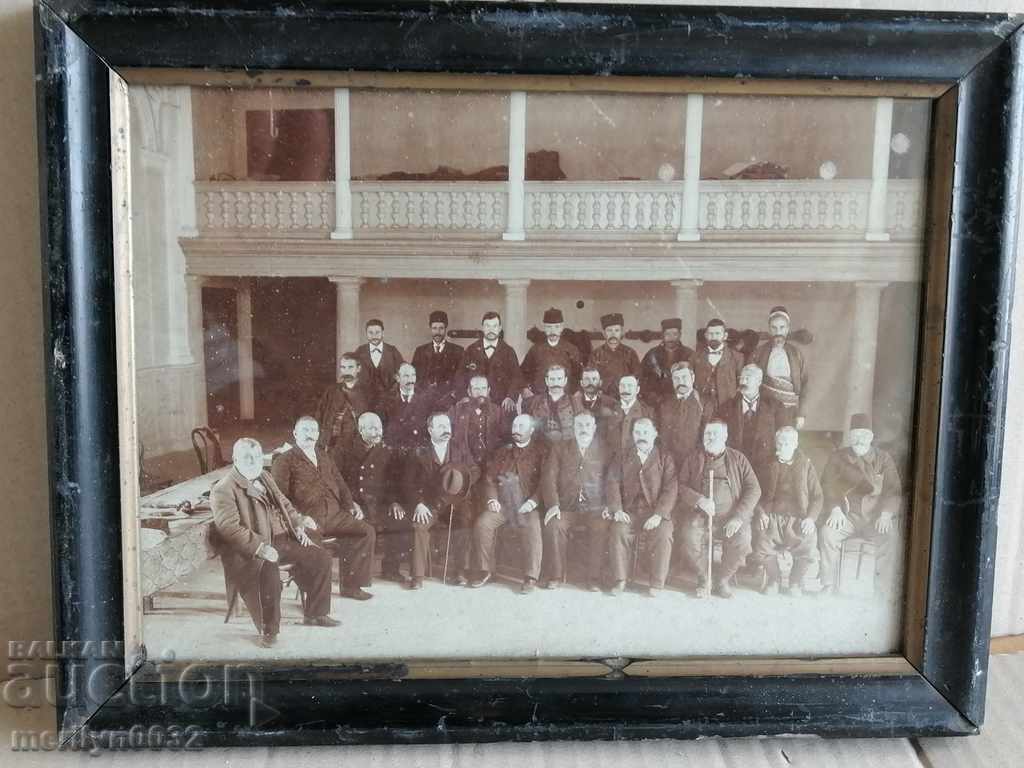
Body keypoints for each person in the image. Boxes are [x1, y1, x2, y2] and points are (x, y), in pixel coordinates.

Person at [211, 438, 337, 648]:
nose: (253, 461)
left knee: (321, 557)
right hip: (250, 548)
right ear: (235, 459)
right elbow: (229, 529)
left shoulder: (264, 476)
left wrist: (297, 524)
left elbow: (285, 504)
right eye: (247, 457)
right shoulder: (223, 489)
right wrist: (261, 548)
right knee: (268, 571)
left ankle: (317, 613)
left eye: (257, 456)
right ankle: (269, 630)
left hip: (280, 538)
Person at [271, 416, 376, 600]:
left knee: (365, 531)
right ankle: (315, 602)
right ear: (295, 434)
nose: (309, 435)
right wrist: (299, 518)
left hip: (335, 514)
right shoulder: (284, 461)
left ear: (318, 434)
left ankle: (351, 586)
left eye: (313, 431)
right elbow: (280, 498)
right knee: (316, 554)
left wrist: (350, 505)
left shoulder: (324, 455)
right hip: (309, 518)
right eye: (305, 430)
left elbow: (340, 483)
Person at [818, 413, 903, 596]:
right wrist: (835, 509)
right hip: (847, 517)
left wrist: (886, 514)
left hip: (874, 519)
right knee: (827, 533)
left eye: (864, 435)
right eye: (855, 435)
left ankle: (882, 591)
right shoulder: (838, 457)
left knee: (891, 536)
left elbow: (893, 490)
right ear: (850, 437)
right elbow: (827, 486)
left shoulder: (883, 458)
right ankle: (827, 585)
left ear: (871, 437)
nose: (859, 440)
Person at [677, 419, 761, 599]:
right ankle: (704, 577)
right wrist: (699, 500)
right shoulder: (693, 458)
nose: (711, 437)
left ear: (725, 436)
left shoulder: (738, 459)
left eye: (715, 433)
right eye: (708, 433)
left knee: (743, 540)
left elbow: (754, 489)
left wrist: (739, 517)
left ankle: (722, 579)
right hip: (700, 515)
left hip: (731, 517)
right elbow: (681, 486)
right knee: (689, 535)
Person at [399, 412, 480, 589]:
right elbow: (407, 483)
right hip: (429, 504)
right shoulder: (419, 452)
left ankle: (459, 571)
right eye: (441, 426)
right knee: (419, 525)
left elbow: (474, 470)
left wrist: (462, 482)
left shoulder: (460, 448)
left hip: (456, 503)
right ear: (430, 430)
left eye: (448, 426)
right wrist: (418, 504)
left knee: (465, 521)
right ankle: (417, 576)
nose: (446, 430)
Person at [469, 414, 546, 593]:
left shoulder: (541, 452)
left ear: (531, 430)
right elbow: (489, 479)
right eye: (514, 426)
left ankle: (530, 576)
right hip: (503, 505)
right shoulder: (503, 452)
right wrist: (492, 499)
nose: (516, 430)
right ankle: (485, 570)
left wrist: (533, 502)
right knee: (483, 524)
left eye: (521, 426)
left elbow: (545, 482)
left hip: (527, 505)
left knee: (533, 528)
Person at [539, 412, 615, 590]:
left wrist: (607, 506)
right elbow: (549, 478)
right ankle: (557, 575)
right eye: (579, 425)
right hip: (566, 506)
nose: (583, 429)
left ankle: (593, 578)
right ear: (573, 428)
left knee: (601, 526)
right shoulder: (560, 448)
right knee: (554, 524)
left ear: (594, 428)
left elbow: (612, 481)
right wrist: (553, 505)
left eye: (588, 425)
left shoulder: (605, 449)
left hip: (595, 508)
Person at [605, 418, 678, 596]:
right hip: (629, 512)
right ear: (632, 435)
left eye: (645, 432)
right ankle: (620, 580)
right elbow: (612, 482)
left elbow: (671, 488)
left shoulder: (665, 457)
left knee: (664, 534)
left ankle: (656, 583)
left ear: (654, 434)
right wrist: (618, 509)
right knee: (618, 530)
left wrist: (659, 515)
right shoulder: (623, 456)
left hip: (655, 513)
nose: (641, 436)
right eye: (637, 432)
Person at [749, 426, 823, 596]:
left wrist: (811, 519)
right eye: (780, 443)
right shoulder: (766, 465)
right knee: (761, 540)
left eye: (788, 443)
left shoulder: (806, 465)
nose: (783, 446)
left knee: (809, 541)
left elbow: (818, 496)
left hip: (799, 517)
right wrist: (760, 513)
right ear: (775, 444)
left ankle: (795, 583)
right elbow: (755, 493)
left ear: (796, 444)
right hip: (772, 516)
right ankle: (774, 580)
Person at [340, 413, 408, 583]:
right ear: (360, 429)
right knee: (360, 528)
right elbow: (336, 481)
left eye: (379, 428)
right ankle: (357, 577)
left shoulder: (386, 450)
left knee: (399, 520)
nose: (377, 432)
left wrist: (393, 501)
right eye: (372, 428)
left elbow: (393, 480)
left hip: (379, 504)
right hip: (355, 504)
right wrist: (350, 503)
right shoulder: (343, 449)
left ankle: (390, 569)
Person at [717, 363, 793, 475]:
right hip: (735, 466)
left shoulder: (775, 406)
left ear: (759, 381)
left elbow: (784, 437)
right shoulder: (727, 407)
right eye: (741, 378)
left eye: (748, 377)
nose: (743, 381)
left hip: (765, 467)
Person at [749, 306, 809, 430]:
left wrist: (801, 414)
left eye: (782, 328)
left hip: (789, 410)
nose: (778, 332)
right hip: (764, 409)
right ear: (769, 329)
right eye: (774, 328)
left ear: (787, 329)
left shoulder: (796, 354)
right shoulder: (759, 352)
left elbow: (805, 385)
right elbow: (750, 381)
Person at [457, 311, 521, 418]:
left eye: (494, 326)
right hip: (475, 403)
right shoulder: (471, 350)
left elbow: (517, 377)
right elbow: (460, 375)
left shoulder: (508, 351)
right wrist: (463, 396)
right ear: (482, 327)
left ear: (500, 328)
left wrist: (511, 397)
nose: (491, 330)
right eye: (487, 326)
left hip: (501, 404)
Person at [314, 353, 368, 468]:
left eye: (350, 367)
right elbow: (319, 416)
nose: (346, 371)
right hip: (331, 445)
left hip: (356, 447)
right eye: (343, 367)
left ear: (358, 368)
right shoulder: (331, 391)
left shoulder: (368, 393)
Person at [520, 307, 582, 397]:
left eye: (556, 327)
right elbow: (522, 373)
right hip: (540, 399)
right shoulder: (536, 349)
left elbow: (580, 375)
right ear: (544, 328)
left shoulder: (572, 349)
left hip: (565, 400)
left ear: (561, 328)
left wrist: (578, 392)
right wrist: (524, 388)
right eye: (549, 327)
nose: (553, 331)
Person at [690, 318, 744, 419]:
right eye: (710, 334)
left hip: (727, 408)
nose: (714, 337)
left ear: (725, 335)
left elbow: (741, 385)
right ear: (706, 335)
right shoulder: (695, 357)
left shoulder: (737, 357)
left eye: (717, 333)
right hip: (702, 408)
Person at [411, 310, 464, 410]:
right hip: (425, 402)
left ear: (445, 329)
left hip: (449, 403)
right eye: (434, 328)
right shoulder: (420, 351)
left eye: (441, 328)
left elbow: (461, 379)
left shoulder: (458, 351)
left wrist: (452, 396)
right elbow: (414, 378)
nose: (438, 332)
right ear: (430, 329)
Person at [656, 361, 704, 470]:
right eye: (676, 379)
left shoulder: (705, 403)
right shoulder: (664, 404)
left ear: (693, 378)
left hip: (695, 464)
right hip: (669, 464)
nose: (680, 382)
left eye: (684, 377)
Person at [640, 318, 695, 407]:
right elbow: (642, 379)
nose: (671, 338)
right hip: (656, 403)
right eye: (667, 334)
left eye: (675, 334)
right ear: (662, 335)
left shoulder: (689, 354)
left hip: (683, 402)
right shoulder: (652, 355)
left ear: (680, 335)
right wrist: (653, 398)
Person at [380, 362, 433, 454]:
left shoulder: (425, 398)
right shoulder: (386, 399)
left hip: (418, 450)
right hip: (394, 450)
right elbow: (383, 428)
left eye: (413, 375)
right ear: (397, 378)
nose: (411, 380)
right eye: (406, 376)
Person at [353, 319, 404, 411]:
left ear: (383, 333)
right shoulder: (360, 352)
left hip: (389, 403)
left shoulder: (392, 351)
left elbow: (402, 374)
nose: (374, 336)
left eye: (377, 332)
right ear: (366, 334)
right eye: (370, 333)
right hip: (365, 402)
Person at [588, 312, 642, 397]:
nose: (613, 334)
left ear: (622, 332)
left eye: (617, 330)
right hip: (603, 397)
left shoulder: (630, 353)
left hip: (624, 396)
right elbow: (590, 378)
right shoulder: (596, 354)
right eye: (609, 330)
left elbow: (637, 378)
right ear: (603, 333)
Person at [524, 364, 581, 443]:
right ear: (547, 381)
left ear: (565, 381)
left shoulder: (575, 402)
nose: (555, 383)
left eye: (559, 379)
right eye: (552, 379)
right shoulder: (534, 402)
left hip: (567, 448)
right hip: (540, 448)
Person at [605, 374, 655, 456]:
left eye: (630, 386)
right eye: (622, 386)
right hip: (614, 462)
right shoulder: (609, 410)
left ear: (637, 389)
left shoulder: (648, 412)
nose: (625, 389)